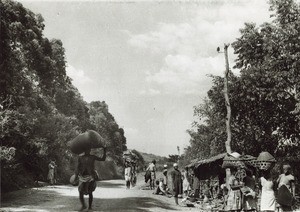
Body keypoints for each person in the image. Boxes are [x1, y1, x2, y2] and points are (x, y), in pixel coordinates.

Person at [75, 147, 106, 211]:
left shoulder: (93, 157)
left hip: (91, 176)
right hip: (82, 176)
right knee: (80, 191)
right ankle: (83, 205)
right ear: (84, 150)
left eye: (88, 149)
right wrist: (76, 176)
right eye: (86, 149)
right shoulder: (80, 158)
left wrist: (104, 150)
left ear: (90, 150)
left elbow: (103, 159)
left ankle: (90, 207)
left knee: (90, 192)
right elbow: (78, 167)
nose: (87, 151)